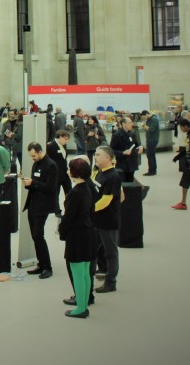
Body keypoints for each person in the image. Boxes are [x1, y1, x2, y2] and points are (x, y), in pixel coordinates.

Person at [60, 158, 96, 318]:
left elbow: (68, 217)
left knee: (77, 272)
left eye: (70, 169)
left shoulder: (75, 193)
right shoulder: (87, 188)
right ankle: (84, 303)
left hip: (77, 235)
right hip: (88, 233)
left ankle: (81, 308)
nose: (67, 171)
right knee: (85, 272)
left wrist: (62, 231)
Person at [23, 142, 58, 279]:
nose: (33, 158)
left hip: (43, 206)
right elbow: (35, 182)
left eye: (34, 155)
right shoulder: (35, 164)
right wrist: (29, 183)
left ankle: (47, 267)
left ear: (40, 151)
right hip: (33, 204)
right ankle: (41, 264)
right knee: (35, 236)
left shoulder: (51, 165)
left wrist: (33, 183)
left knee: (38, 235)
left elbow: (50, 187)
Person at [91, 146, 121, 293]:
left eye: (98, 155)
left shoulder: (113, 176)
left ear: (107, 158)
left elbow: (105, 200)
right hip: (96, 220)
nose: (95, 157)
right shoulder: (98, 173)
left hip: (108, 221)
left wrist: (88, 210)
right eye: (95, 154)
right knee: (95, 250)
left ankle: (111, 282)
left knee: (110, 253)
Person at [110, 116, 143, 183]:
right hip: (122, 163)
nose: (132, 124)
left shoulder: (132, 134)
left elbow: (136, 145)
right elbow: (112, 150)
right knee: (123, 183)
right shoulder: (116, 135)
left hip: (132, 162)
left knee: (130, 181)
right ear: (123, 124)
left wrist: (140, 147)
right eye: (130, 123)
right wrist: (122, 153)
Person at [48, 129, 72, 214]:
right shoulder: (51, 146)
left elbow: (64, 159)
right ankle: (57, 210)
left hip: (64, 173)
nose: (66, 141)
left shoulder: (63, 145)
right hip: (55, 174)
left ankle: (70, 209)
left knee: (69, 192)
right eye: (65, 138)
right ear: (60, 137)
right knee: (56, 193)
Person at [141, 110, 160, 176]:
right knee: (151, 155)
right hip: (149, 139)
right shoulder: (149, 120)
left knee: (150, 155)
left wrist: (144, 126)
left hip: (153, 140)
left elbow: (152, 129)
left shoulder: (154, 119)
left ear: (146, 114)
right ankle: (153, 169)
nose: (144, 118)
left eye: (144, 117)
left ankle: (151, 171)